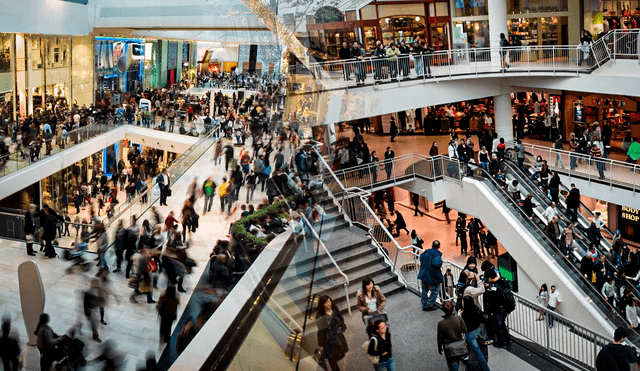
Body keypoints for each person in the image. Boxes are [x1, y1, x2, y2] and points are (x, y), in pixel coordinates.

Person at [316, 295, 348, 371]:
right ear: (322, 304)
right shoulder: (320, 316)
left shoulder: (334, 309)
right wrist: (321, 344)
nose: (328, 304)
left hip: (338, 336)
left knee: (341, 353)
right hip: (328, 339)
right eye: (326, 303)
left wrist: (342, 325)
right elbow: (320, 331)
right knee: (332, 359)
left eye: (329, 301)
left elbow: (340, 317)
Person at [460, 296, 492, 371]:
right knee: (473, 347)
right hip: (477, 329)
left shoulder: (465, 314)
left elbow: (463, 325)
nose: (462, 302)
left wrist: (459, 315)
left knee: (477, 351)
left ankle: (486, 368)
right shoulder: (475, 308)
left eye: (463, 301)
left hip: (470, 333)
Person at [484, 269, 512, 348]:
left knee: (499, 326)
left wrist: (492, 311)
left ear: (490, 278)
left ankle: (502, 342)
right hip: (506, 307)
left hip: (498, 309)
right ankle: (507, 339)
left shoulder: (494, 287)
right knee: (502, 324)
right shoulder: (504, 280)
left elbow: (493, 301)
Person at [437, 301, 468, 371]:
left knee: (452, 365)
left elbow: (440, 338)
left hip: (449, 348)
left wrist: (440, 348)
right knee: (457, 361)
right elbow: (465, 330)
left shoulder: (441, 323)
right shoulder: (458, 318)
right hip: (460, 345)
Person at [417, 240, 443, 311]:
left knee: (424, 289)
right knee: (435, 291)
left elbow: (421, 257)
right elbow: (436, 263)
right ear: (439, 247)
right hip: (431, 276)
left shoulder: (427, 251)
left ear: (431, 245)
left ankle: (424, 303)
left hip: (423, 273)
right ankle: (429, 305)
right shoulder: (437, 254)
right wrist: (441, 262)